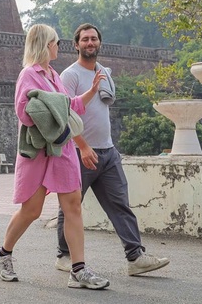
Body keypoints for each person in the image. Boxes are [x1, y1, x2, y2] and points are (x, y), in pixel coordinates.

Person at [0, 24, 110, 290]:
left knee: (73, 206)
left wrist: (92, 90)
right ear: (47, 45)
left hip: (62, 148)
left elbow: (70, 106)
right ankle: (4, 254)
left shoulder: (53, 75)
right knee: (31, 211)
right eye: (56, 42)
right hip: (39, 151)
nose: (59, 46)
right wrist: (50, 104)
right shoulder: (29, 75)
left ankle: (78, 269)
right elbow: (24, 112)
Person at [55, 23, 170, 276]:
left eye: (94, 39)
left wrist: (107, 146)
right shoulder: (70, 75)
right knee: (70, 206)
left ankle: (135, 257)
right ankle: (64, 256)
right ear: (76, 45)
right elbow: (64, 114)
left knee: (120, 204)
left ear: (99, 43)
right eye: (84, 39)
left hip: (107, 152)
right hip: (79, 152)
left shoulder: (104, 73)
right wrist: (82, 146)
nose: (89, 43)